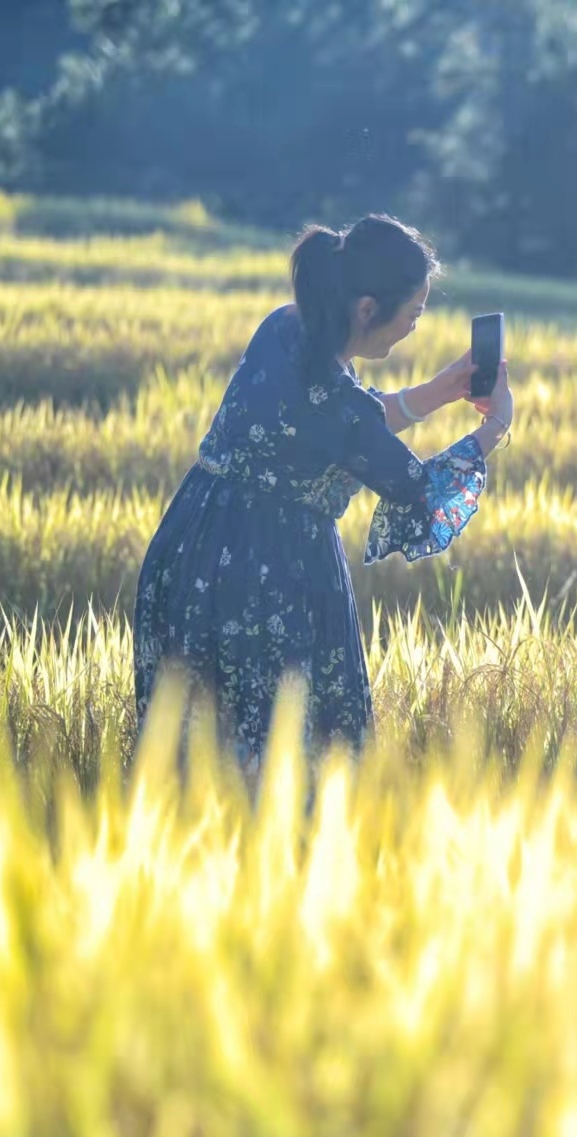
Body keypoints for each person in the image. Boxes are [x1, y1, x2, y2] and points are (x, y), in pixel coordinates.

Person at [133, 213, 517, 765]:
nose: (415, 325)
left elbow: (340, 424)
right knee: (289, 762)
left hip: (191, 548)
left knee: (194, 757)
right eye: (413, 313)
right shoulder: (336, 399)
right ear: (367, 309)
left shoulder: (285, 330)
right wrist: (494, 429)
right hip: (273, 572)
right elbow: (418, 491)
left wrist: (438, 391)